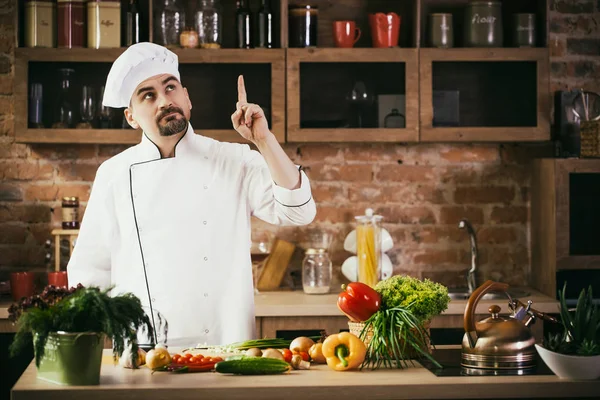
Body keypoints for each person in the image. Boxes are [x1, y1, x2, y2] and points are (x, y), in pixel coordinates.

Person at [67, 42, 316, 347]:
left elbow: (298, 212)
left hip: (227, 345)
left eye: (170, 88)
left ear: (186, 98)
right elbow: (91, 269)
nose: (164, 101)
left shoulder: (234, 159)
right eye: (149, 95)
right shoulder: (114, 173)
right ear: (131, 117)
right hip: (145, 349)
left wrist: (264, 141)